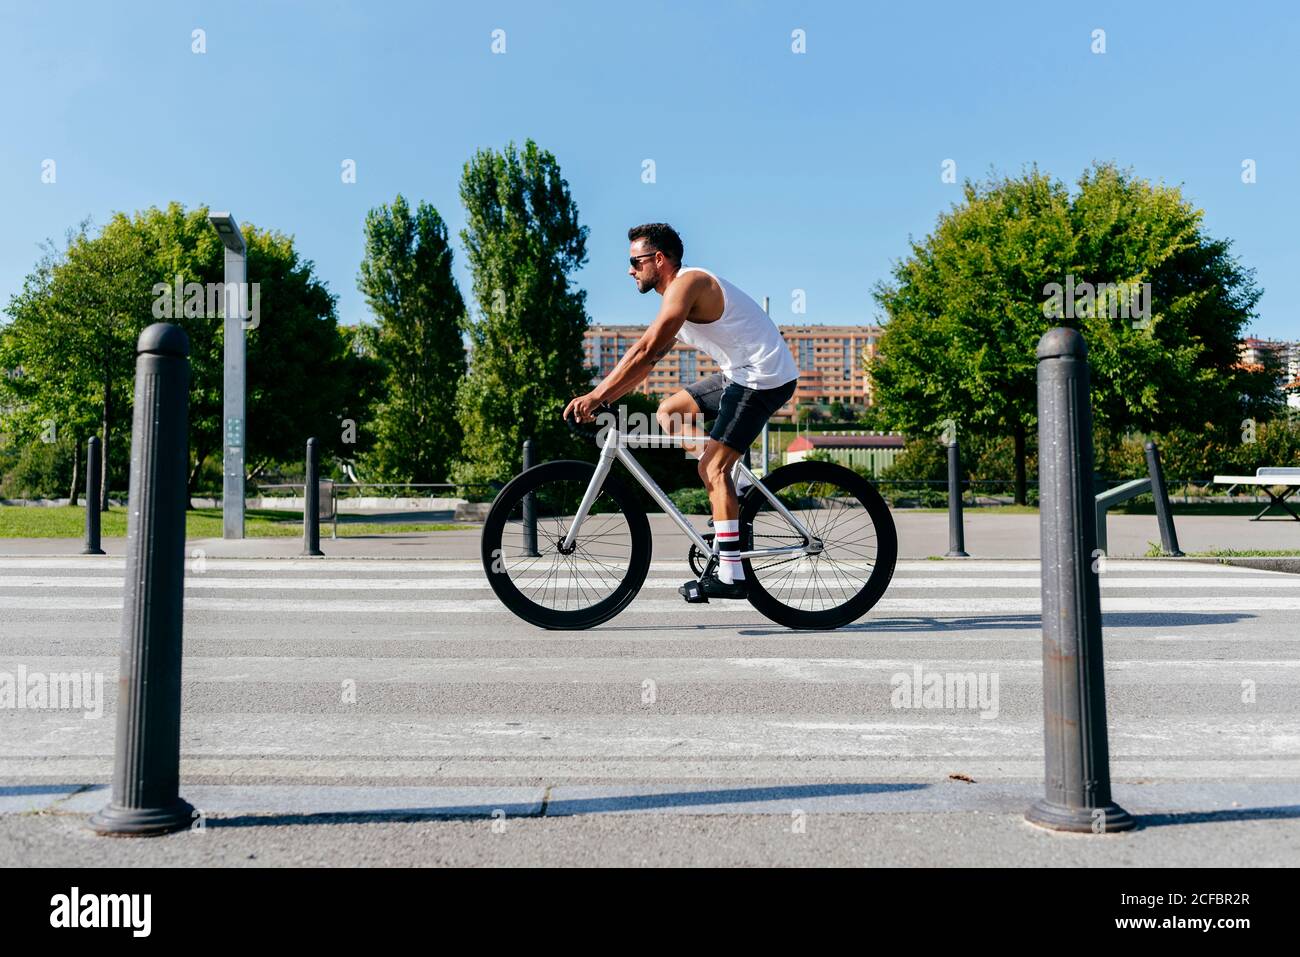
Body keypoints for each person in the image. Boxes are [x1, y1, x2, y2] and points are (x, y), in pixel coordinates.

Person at [563, 223, 798, 600]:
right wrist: (606, 399)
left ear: (659, 259)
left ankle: (732, 574)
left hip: (762, 377)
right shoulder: (675, 297)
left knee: (711, 467)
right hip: (739, 374)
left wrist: (596, 396)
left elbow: (644, 350)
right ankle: (734, 487)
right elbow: (647, 363)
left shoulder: (687, 285)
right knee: (669, 411)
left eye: (635, 262)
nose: (630, 270)